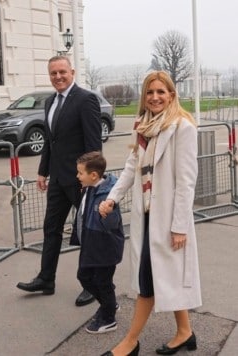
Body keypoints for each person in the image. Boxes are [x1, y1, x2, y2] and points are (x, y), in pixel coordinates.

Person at [99, 71, 202, 356]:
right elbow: (132, 166)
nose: (155, 97)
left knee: (149, 279)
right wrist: (112, 198)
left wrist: (180, 225)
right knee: (161, 274)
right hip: (147, 217)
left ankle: (130, 342)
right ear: (144, 97)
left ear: (171, 95)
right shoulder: (142, 126)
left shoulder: (183, 127)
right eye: (150, 92)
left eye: (161, 92)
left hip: (168, 219)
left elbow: (186, 181)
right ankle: (185, 332)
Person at [17, 55, 102, 307]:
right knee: (51, 229)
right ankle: (46, 279)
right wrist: (43, 171)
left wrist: (91, 178)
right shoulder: (50, 102)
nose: (58, 77)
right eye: (53, 73)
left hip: (80, 181)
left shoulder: (86, 100)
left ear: (72, 72)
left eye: (62, 72)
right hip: (57, 180)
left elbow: (94, 146)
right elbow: (50, 142)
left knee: (87, 231)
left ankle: (92, 284)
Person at [70, 151, 125, 334]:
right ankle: (109, 303)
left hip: (104, 248)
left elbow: (112, 224)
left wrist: (107, 211)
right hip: (90, 244)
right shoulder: (89, 188)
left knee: (103, 282)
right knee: (84, 277)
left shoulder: (107, 196)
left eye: (80, 173)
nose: (77, 176)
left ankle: (108, 318)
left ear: (93, 175)